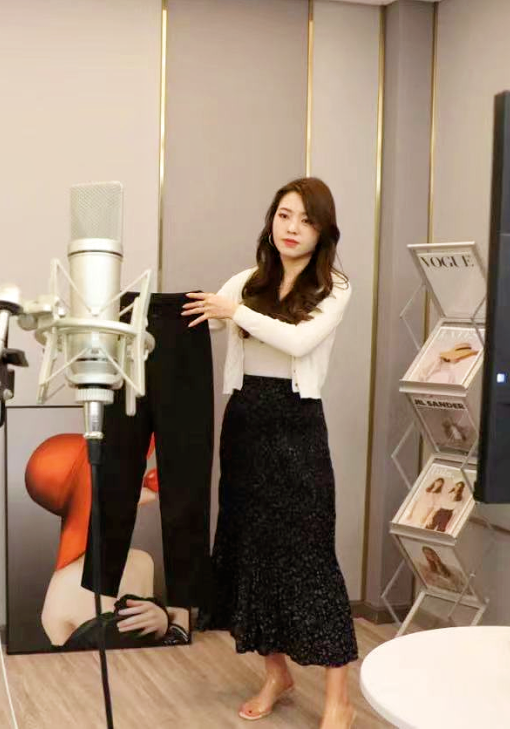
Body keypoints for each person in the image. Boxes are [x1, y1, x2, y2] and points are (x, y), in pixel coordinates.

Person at [183, 177, 358, 728]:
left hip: (296, 426)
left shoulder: (335, 287)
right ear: (271, 220)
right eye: (284, 215)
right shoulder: (246, 282)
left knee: (311, 556)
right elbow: (206, 316)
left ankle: (339, 699)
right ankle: (276, 674)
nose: (292, 228)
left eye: (306, 219)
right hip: (244, 425)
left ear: (323, 231)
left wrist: (232, 312)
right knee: (250, 552)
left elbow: (298, 341)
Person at [24, 433, 188, 650]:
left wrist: (162, 621)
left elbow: (154, 643)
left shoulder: (141, 563)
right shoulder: (65, 587)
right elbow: (64, 664)